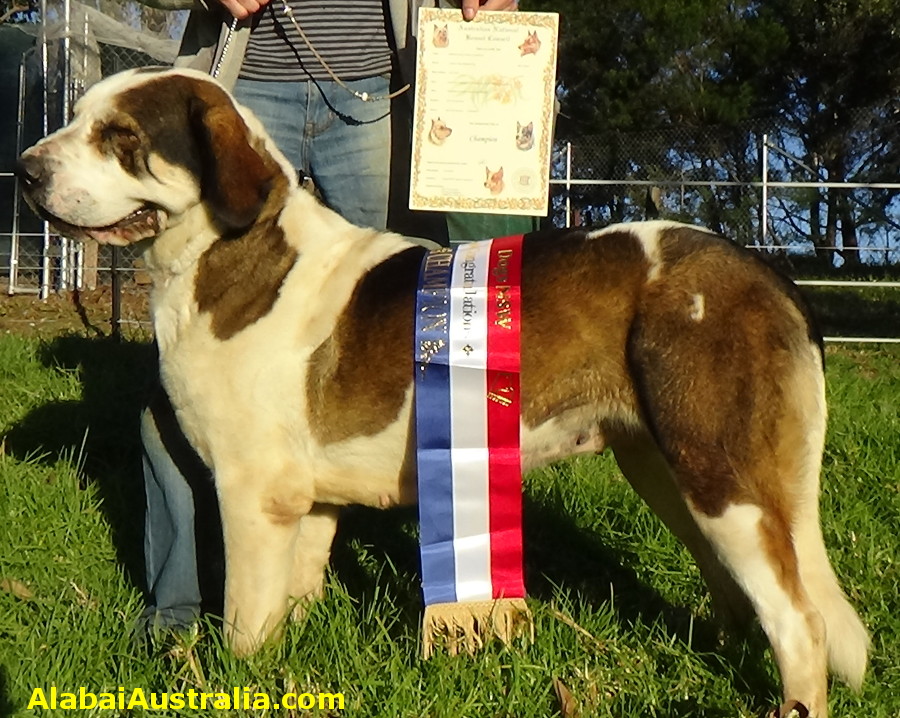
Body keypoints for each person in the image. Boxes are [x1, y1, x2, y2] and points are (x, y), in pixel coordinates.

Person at [138, 0, 526, 633]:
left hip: (380, 87)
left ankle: (457, 595)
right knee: (186, 367)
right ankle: (177, 612)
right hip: (238, 94)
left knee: (430, 342)